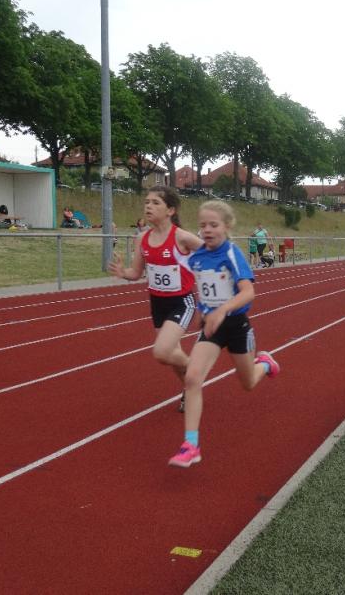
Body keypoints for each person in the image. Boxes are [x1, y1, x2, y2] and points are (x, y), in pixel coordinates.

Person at [171, 200, 280, 468]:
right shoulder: (197, 257)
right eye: (203, 225)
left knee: (248, 383)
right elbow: (204, 287)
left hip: (236, 325)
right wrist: (204, 312)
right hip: (212, 327)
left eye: (214, 225)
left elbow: (248, 292)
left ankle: (265, 364)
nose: (207, 230)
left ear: (227, 227)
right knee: (192, 378)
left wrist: (222, 310)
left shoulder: (231, 253)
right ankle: (191, 445)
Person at [108, 186, 202, 414]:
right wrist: (123, 273)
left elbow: (213, 253)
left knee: (162, 352)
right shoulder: (142, 239)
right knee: (170, 355)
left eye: (155, 203)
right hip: (157, 303)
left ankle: (195, 373)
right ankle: (189, 389)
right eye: (147, 202)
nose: (148, 206)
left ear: (170, 210)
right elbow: (136, 273)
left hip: (182, 301)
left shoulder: (182, 237)